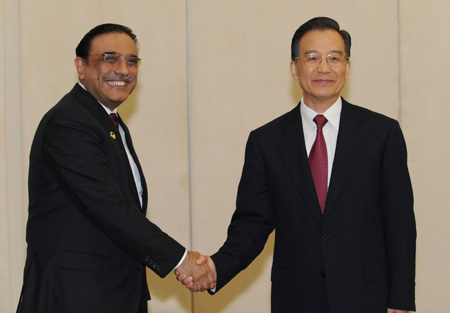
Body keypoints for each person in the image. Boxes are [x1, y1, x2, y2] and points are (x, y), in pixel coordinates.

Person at [177, 17, 416, 313]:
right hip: (296, 299)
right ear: (294, 67)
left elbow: (400, 224)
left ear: (348, 67)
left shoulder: (382, 133)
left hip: (368, 297)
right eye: (312, 58)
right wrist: (216, 268)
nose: (324, 68)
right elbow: (252, 225)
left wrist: (401, 301)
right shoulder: (265, 142)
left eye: (334, 58)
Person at [16, 23, 215, 313]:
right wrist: (182, 260)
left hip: (112, 295)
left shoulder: (108, 123)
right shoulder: (70, 122)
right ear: (80, 66)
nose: (123, 69)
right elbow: (109, 208)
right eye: (110, 58)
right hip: (74, 297)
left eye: (131, 61)